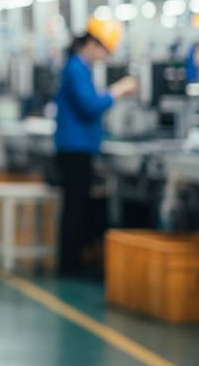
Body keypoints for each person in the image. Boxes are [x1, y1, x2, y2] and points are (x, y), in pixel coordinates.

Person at [54, 17, 138, 276]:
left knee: (79, 206)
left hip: (79, 147)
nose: (104, 57)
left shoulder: (81, 68)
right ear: (92, 43)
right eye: (104, 51)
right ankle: (69, 265)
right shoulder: (76, 68)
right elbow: (89, 106)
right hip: (74, 148)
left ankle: (75, 260)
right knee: (75, 208)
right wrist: (117, 91)